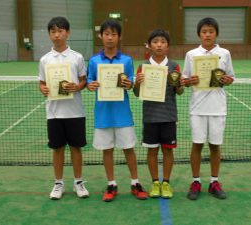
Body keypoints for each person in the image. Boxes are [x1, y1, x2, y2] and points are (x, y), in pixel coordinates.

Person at [86, 19, 148, 202]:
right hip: (103, 114)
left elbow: (130, 81)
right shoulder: (94, 61)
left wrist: (130, 83)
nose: (110, 38)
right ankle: (111, 184)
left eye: (114, 34)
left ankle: (135, 183)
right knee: (107, 150)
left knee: (128, 149)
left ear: (119, 37)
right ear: (101, 36)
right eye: (106, 34)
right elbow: (89, 80)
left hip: (122, 114)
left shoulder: (127, 60)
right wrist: (91, 84)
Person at [182, 17, 234, 200]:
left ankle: (214, 181)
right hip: (197, 107)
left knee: (215, 146)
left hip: (218, 107)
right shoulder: (191, 54)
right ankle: (196, 181)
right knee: (197, 144)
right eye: (204, 32)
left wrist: (227, 80)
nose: (207, 35)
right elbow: (184, 81)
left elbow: (230, 78)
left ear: (216, 33)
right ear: (199, 34)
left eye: (211, 31)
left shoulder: (225, 54)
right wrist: (190, 81)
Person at [38, 16, 89, 200]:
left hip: (75, 111)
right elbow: (42, 83)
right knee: (57, 149)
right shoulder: (45, 60)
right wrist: (43, 89)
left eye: (60, 31)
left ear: (67, 33)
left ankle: (78, 182)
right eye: (53, 31)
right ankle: (58, 183)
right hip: (54, 113)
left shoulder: (77, 57)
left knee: (76, 148)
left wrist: (77, 86)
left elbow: (84, 80)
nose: (57, 35)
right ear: (49, 35)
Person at [133, 29, 184, 199]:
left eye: (163, 41)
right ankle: (155, 182)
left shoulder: (174, 66)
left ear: (167, 45)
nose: (159, 45)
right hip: (150, 117)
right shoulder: (143, 66)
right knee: (152, 152)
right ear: (149, 46)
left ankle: (166, 183)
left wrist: (178, 84)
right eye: (155, 41)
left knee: (168, 151)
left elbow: (180, 92)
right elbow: (136, 93)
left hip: (169, 116)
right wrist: (138, 83)